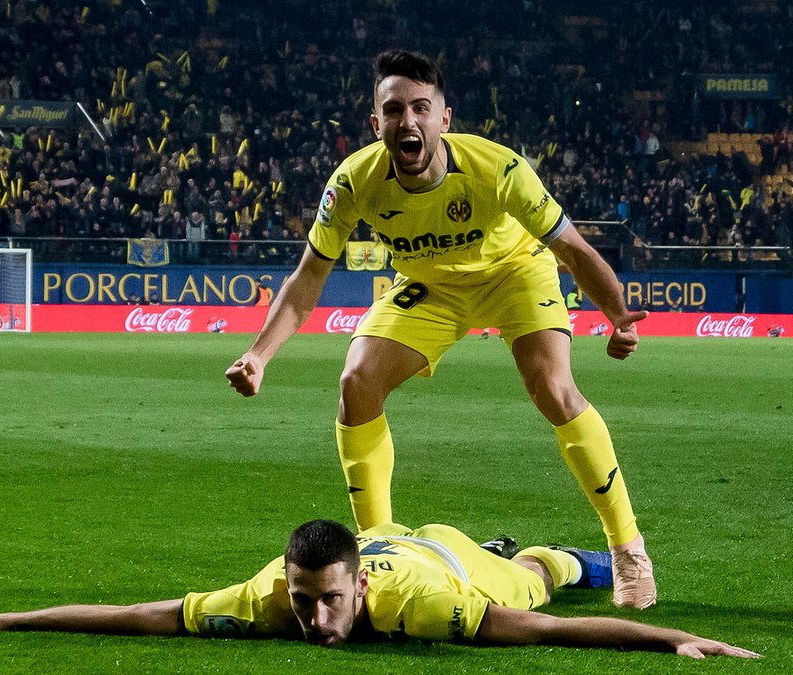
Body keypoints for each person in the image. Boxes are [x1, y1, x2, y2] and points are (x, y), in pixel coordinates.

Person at [225, 51, 656, 608]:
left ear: (443, 120)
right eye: (394, 109)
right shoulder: (354, 182)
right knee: (356, 382)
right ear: (375, 122)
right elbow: (308, 279)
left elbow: (571, 248)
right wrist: (260, 355)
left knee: (553, 389)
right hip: (430, 285)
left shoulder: (498, 169)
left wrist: (618, 315)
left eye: (421, 108)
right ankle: (377, 549)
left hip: (514, 272)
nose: (408, 121)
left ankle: (627, 548)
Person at [0, 519, 760, 660]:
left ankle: (562, 551)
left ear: (355, 586)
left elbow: (545, 636)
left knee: (539, 582)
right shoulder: (261, 598)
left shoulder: (424, 608)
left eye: (329, 599)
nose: (315, 616)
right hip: (380, 541)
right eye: (302, 598)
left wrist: (671, 638)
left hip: (446, 557)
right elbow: (142, 615)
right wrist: (3, 617)